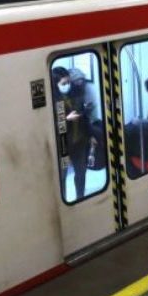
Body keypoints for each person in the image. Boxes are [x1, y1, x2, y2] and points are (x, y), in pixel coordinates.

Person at [53, 66, 93, 200]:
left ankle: (80, 198)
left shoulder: (75, 93)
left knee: (81, 172)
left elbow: (82, 113)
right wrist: (66, 119)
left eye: (68, 82)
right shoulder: (53, 100)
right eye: (63, 84)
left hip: (79, 140)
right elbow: (49, 125)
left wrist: (85, 110)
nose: (67, 85)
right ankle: (63, 200)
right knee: (62, 175)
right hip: (63, 145)